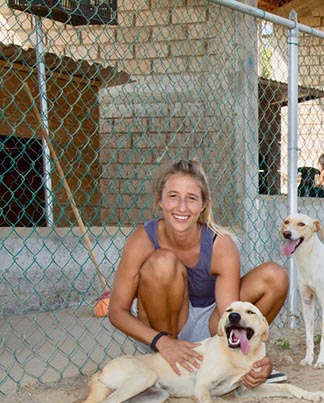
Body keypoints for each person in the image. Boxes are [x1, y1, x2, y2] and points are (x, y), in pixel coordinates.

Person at [108, 159, 290, 387]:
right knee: (163, 261)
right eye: (173, 196)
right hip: (161, 332)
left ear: (203, 204)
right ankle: (171, 369)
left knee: (275, 276)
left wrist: (256, 354)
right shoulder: (142, 239)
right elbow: (117, 311)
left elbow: (229, 314)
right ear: (160, 201)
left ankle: (240, 364)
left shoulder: (220, 245)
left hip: (209, 328)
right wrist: (161, 341)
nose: (182, 207)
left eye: (192, 198)